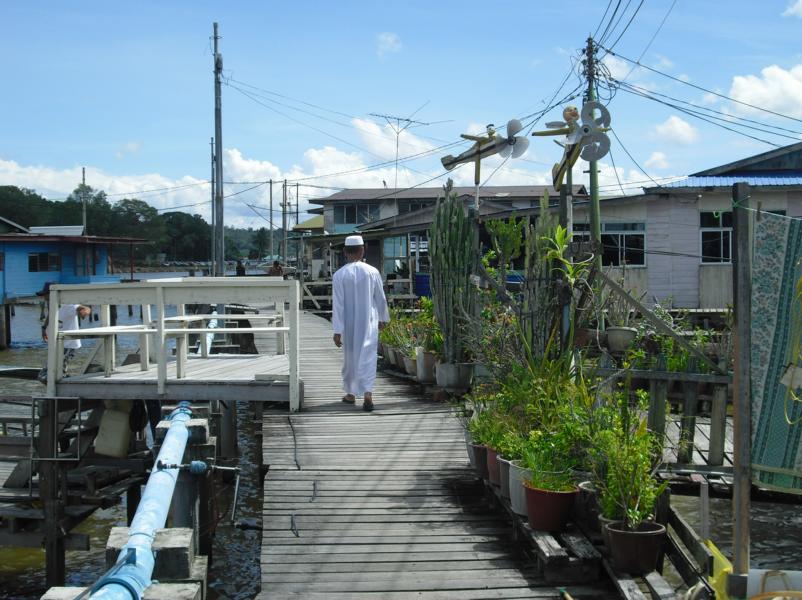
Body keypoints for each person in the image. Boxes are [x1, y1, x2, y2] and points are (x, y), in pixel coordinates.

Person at [332, 235, 389, 412]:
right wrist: (383, 318)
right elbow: (380, 298)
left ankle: (350, 394)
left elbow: (338, 305)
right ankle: (367, 394)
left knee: (350, 358)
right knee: (368, 357)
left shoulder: (339, 275)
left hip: (348, 324)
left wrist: (337, 330)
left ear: (345, 252)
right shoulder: (372, 272)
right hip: (369, 322)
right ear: (362, 250)